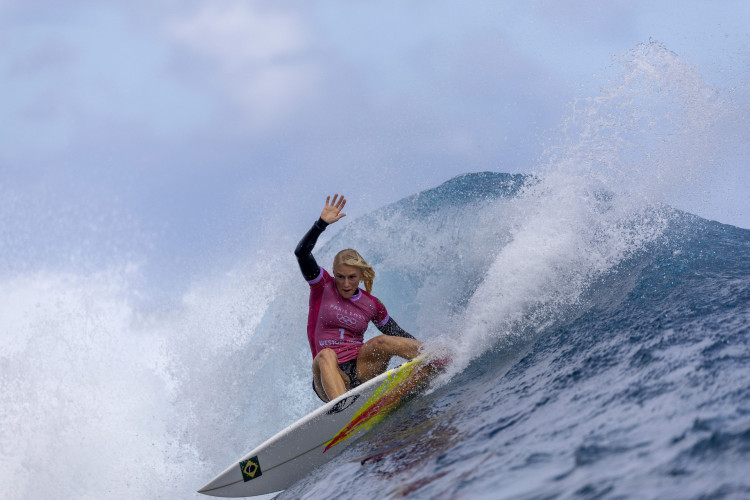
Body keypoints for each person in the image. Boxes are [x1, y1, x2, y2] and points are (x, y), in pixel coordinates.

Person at [295, 194, 423, 403]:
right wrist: (321, 224)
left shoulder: (371, 304)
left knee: (383, 341)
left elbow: (398, 335)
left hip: (362, 370)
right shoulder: (322, 286)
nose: (346, 283)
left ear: (361, 276)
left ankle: (435, 359)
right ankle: (342, 408)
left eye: (352, 277)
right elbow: (301, 254)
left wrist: (424, 349)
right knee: (326, 354)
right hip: (331, 377)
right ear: (334, 273)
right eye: (341, 277)